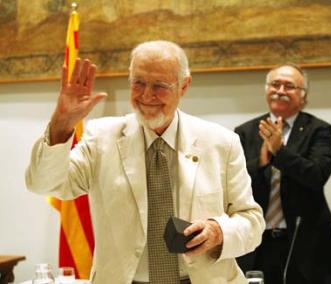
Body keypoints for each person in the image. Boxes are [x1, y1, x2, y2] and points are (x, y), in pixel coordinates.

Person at [25, 40, 265, 284]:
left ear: (184, 85)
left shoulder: (221, 142)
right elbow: (44, 185)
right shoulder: (101, 137)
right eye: (138, 83)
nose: (147, 95)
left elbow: (252, 222)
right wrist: (61, 125)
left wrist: (218, 232)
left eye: (160, 85)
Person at [234, 64, 331, 284]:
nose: (280, 90)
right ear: (266, 90)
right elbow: (235, 183)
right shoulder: (245, 132)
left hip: (305, 243)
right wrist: (263, 160)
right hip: (257, 241)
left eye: (289, 86)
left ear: (303, 97)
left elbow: (317, 175)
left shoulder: (318, 130)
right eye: (275, 84)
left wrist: (279, 152)